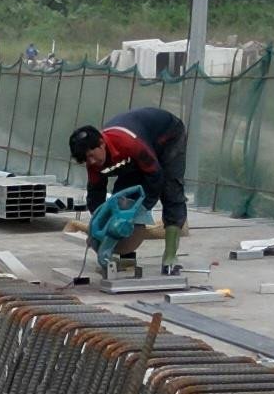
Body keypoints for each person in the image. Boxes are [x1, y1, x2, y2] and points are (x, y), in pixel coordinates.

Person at [68, 104, 189, 273]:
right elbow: (96, 195)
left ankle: (170, 256)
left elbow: (155, 177)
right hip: (139, 148)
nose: (91, 162)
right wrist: (101, 223)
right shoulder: (93, 163)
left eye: (91, 156)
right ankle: (127, 254)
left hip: (166, 136)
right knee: (124, 194)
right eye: (85, 160)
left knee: (170, 189)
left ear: (102, 143)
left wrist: (141, 209)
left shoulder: (129, 143)